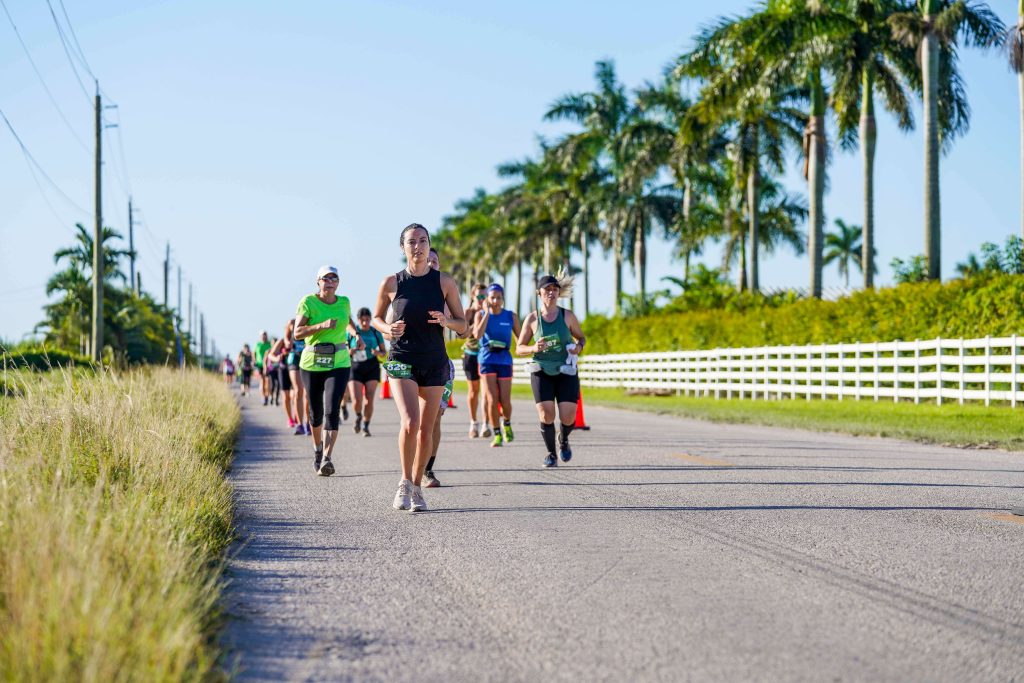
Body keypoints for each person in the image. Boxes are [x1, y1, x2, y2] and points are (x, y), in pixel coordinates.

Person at [372, 224, 466, 513]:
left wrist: (446, 322)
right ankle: (403, 481)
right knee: (410, 422)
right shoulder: (392, 282)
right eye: (411, 242)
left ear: (429, 246)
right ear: (403, 248)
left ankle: (415, 486)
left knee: (426, 429)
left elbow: (464, 326)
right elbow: (376, 318)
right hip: (401, 358)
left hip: (434, 360)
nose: (418, 247)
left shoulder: (445, 283)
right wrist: (388, 329)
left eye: (423, 241)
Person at [294, 265, 362, 476]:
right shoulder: (308, 302)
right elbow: (297, 333)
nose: (330, 282)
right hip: (312, 362)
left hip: (339, 361)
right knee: (315, 413)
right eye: (326, 278)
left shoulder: (344, 302)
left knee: (332, 410)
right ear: (318, 282)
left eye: (334, 278)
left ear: (338, 282)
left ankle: (327, 457)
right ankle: (317, 449)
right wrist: (321, 325)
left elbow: (348, 321)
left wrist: (355, 334)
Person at [516, 273, 586, 468]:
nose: (551, 293)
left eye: (555, 290)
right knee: (546, 414)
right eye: (547, 290)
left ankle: (563, 439)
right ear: (539, 293)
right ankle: (551, 454)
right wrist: (533, 348)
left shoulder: (568, 316)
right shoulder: (532, 319)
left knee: (568, 416)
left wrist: (578, 348)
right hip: (541, 370)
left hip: (566, 370)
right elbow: (519, 348)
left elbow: (581, 338)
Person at [422, 247, 459, 488]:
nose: (432, 264)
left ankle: (427, 469)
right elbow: (388, 325)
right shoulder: (405, 290)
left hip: (440, 363)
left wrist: (448, 321)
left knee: (435, 419)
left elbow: (462, 326)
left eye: (435, 261)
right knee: (415, 420)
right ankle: (412, 467)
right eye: (428, 261)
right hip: (411, 364)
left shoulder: (446, 292)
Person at [473, 283, 520, 448]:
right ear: (488, 299)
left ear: (503, 299)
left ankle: (506, 423)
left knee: (505, 400)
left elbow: (520, 340)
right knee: (492, 399)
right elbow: (477, 334)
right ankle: (497, 433)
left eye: (499, 297)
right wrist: (486, 313)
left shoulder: (510, 316)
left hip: (505, 360)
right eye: (492, 297)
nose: (496, 300)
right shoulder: (480, 314)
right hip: (486, 359)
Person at [349, 307, 387, 437]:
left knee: (369, 397)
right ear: (358, 320)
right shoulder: (353, 333)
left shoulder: (375, 332)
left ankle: (366, 425)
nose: (365, 323)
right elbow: (343, 350)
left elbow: (384, 353)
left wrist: (377, 352)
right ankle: (359, 416)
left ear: (370, 319)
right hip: (355, 366)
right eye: (362, 320)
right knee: (356, 399)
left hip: (371, 366)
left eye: (367, 320)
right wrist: (351, 351)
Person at [462, 283, 487, 438]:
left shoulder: (490, 312)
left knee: (487, 392)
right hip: (471, 354)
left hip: (487, 355)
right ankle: (473, 423)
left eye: (484, 296)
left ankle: (486, 424)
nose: (482, 299)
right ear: (473, 296)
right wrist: (476, 324)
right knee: (473, 391)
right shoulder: (469, 313)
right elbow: (462, 334)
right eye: (479, 296)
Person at [284, 319, 310, 435]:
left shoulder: (308, 327)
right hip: (294, 361)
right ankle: (299, 424)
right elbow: (286, 340)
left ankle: (308, 423)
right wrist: (287, 341)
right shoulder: (291, 329)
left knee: (307, 394)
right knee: (298, 391)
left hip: (307, 361)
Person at [267, 328, 297, 428]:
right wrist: (277, 358)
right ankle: (290, 419)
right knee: (286, 397)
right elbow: (270, 355)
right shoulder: (281, 341)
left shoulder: (300, 340)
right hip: (283, 370)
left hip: (296, 370)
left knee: (295, 395)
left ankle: (297, 415)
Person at [254, 331, 273, 406]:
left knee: (268, 381)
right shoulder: (258, 344)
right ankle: (263, 397)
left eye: (265, 335)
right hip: (260, 365)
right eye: (262, 335)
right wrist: (254, 360)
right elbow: (254, 353)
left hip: (268, 365)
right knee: (262, 381)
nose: (264, 337)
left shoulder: (269, 344)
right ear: (260, 336)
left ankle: (267, 395)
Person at [264, 337, 281, 406]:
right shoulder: (268, 351)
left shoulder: (279, 350)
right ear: (271, 343)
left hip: (278, 370)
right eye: (273, 342)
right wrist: (265, 368)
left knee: (279, 385)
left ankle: (276, 399)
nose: (274, 343)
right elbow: (265, 360)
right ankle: (271, 397)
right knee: (273, 384)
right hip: (271, 370)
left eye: (275, 342)